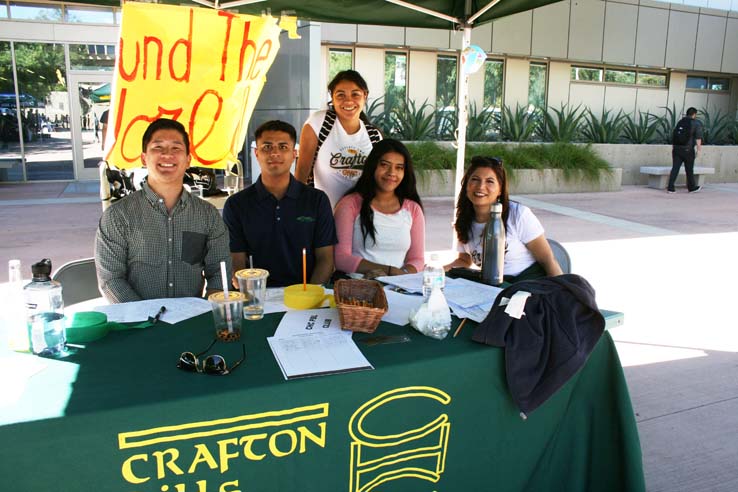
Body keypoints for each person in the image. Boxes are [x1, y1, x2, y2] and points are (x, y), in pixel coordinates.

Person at [95, 118, 231, 303]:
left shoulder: (208, 215)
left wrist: (208, 312)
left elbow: (219, 273)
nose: (167, 155)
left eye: (176, 148)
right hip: (138, 324)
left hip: (191, 320)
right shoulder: (118, 216)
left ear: (188, 160)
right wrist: (146, 318)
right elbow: (111, 281)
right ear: (144, 158)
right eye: (158, 147)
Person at [223, 120, 336, 287]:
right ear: (256, 154)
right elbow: (236, 261)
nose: (274, 153)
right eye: (267, 147)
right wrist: (253, 296)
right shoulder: (236, 204)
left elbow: (326, 259)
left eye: (283, 147)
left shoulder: (317, 200)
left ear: (294, 154)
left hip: (306, 296)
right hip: (257, 299)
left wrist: (309, 296)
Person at [444, 156, 563, 281]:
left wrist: (562, 291)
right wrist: (436, 270)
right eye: (475, 179)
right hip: (492, 285)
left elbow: (547, 259)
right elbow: (464, 260)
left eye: (489, 181)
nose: (480, 186)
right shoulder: (464, 219)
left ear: (500, 189)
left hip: (528, 284)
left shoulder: (518, 214)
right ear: (466, 185)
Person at [334, 139, 425, 280]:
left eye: (399, 167)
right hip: (357, 288)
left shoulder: (413, 209)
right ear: (373, 166)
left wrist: (401, 275)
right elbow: (341, 258)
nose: (391, 173)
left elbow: (417, 260)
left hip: (398, 288)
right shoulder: (350, 204)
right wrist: (388, 271)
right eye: (384, 165)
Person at [296, 70, 382, 208]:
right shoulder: (318, 123)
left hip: (361, 217)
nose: (348, 101)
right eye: (341, 95)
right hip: (325, 216)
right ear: (332, 97)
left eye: (355, 94)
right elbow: (301, 173)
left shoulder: (374, 135)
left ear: (365, 96)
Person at [668, 107, 703, 194]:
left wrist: (674, 147)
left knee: (675, 168)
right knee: (689, 169)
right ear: (694, 114)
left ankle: (670, 188)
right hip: (688, 149)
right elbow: (698, 137)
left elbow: (675, 135)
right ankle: (691, 187)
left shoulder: (681, 122)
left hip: (676, 148)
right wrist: (699, 150)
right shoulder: (696, 123)